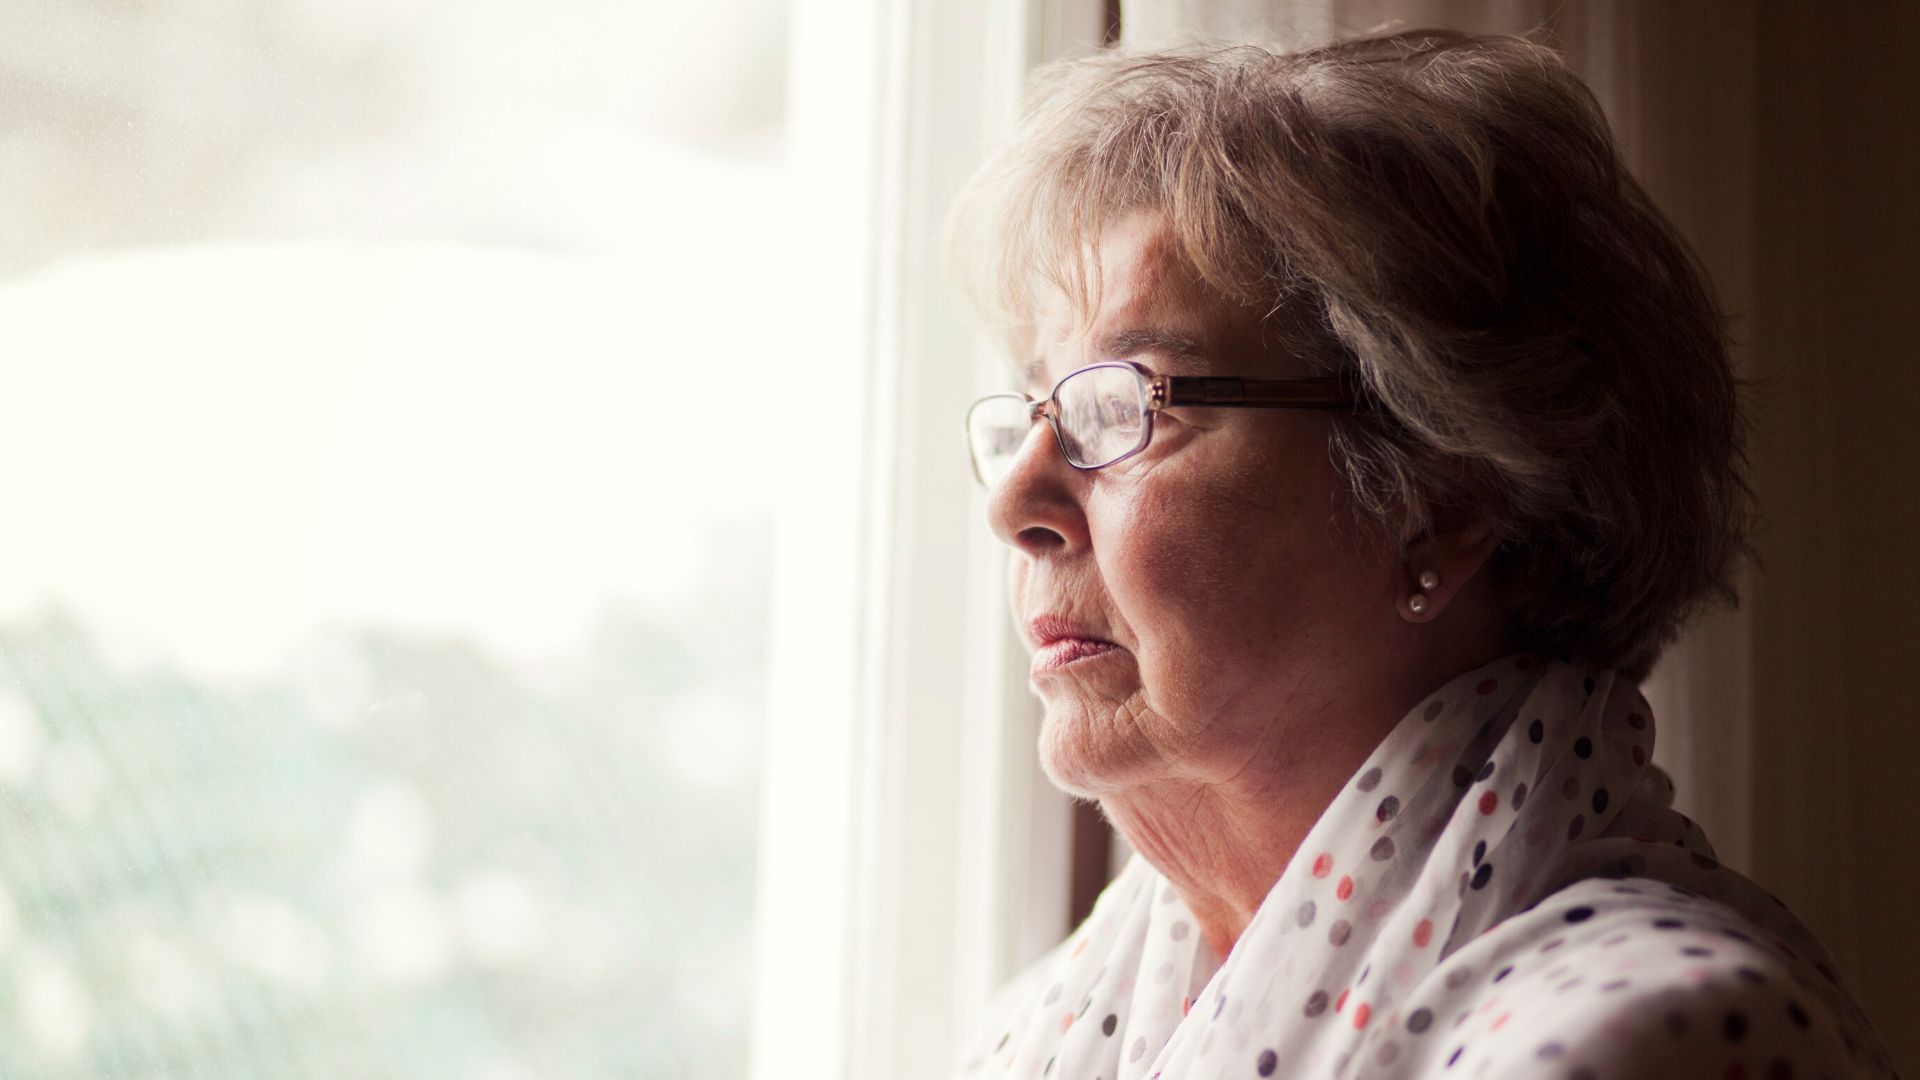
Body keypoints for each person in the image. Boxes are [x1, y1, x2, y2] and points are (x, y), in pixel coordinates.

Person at [947, 29, 1897, 1080]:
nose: (1016, 500)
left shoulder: (1635, 1043)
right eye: (1038, 407)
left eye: (1122, 406)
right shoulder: (1059, 1019)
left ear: (1440, 501)